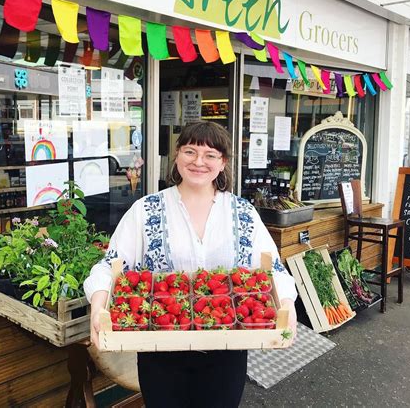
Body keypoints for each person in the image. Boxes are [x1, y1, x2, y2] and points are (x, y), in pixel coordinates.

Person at [84, 121, 297, 408]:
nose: (199, 161)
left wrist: (287, 304)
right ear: (177, 155)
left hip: (226, 350)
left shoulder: (243, 213)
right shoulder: (146, 211)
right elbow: (110, 266)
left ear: (223, 163)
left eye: (210, 155)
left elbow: (273, 270)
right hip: (159, 348)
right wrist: (99, 307)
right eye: (190, 151)